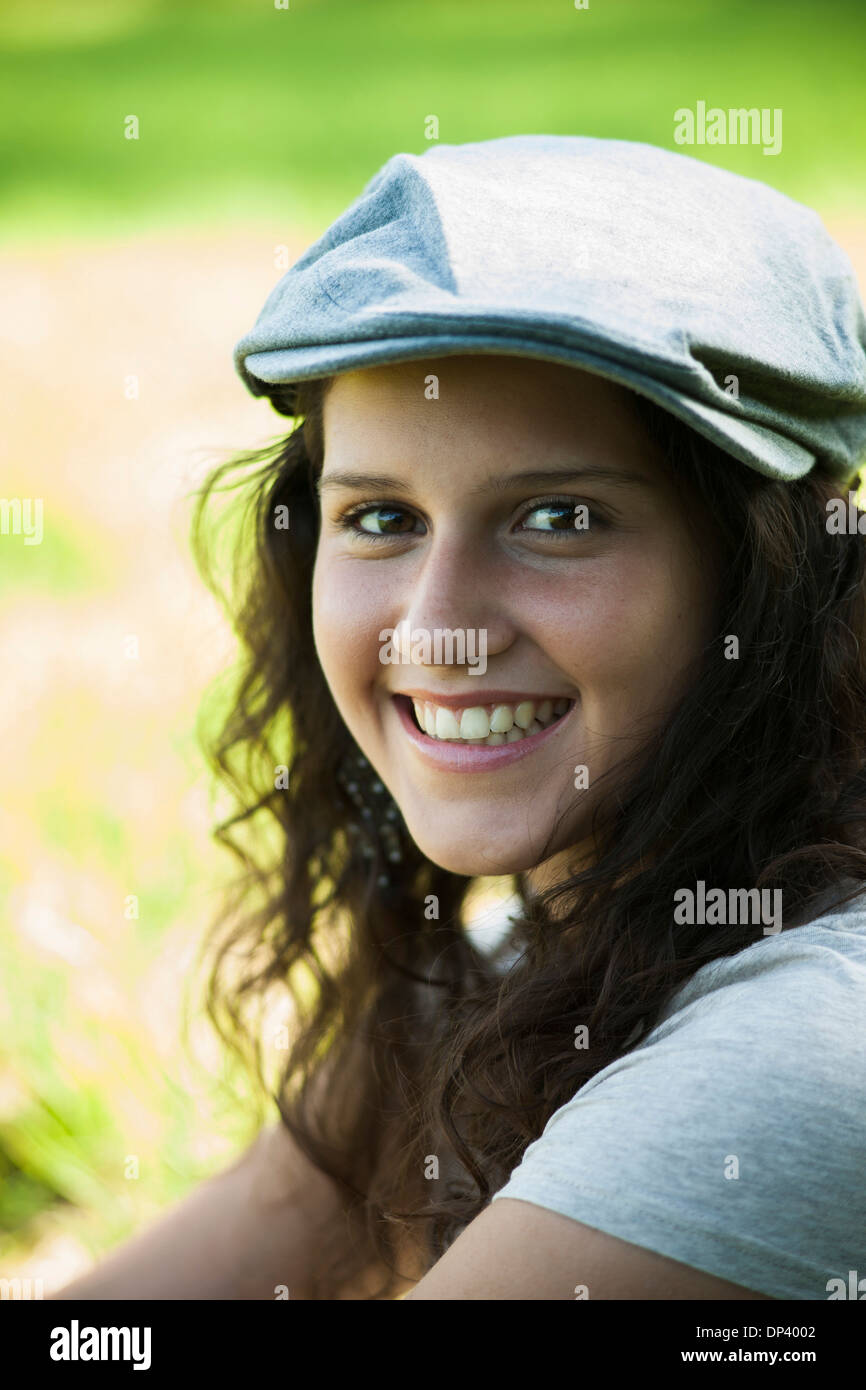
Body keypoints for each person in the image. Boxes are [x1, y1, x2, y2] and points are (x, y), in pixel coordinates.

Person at [55, 135, 866, 1301]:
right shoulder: (532, 949)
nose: (435, 628)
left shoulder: (801, 1052)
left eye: (557, 517)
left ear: (765, 577)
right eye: (380, 518)